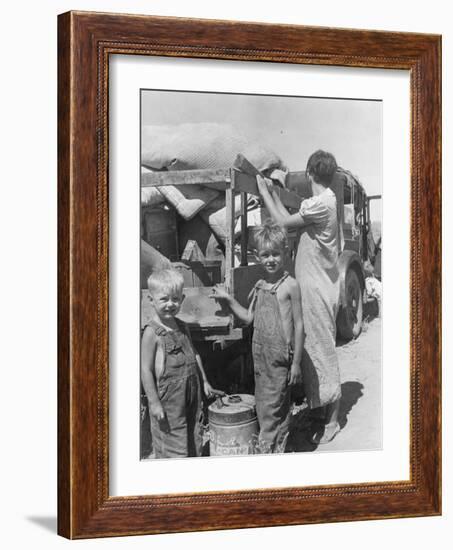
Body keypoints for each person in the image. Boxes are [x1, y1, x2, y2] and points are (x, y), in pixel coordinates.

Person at [255, 150, 342, 444]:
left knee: (323, 351)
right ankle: (320, 412)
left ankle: (332, 421)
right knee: (313, 350)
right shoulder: (324, 201)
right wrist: (275, 194)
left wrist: (263, 191)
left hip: (317, 288)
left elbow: (281, 222)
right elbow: (289, 215)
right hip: (316, 285)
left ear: (308, 174)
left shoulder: (320, 202)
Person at [211, 220, 304, 453]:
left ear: (285, 253)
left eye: (275, 254)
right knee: (268, 405)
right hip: (260, 357)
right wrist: (228, 299)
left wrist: (296, 363)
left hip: (280, 357)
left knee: (272, 407)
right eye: (265, 255)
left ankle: (266, 450)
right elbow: (249, 318)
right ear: (256, 256)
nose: (271, 259)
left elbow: (301, 326)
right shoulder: (260, 285)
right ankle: (278, 448)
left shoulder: (291, 286)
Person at [141, 268, 223, 458]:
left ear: (183, 299)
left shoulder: (183, 326)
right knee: (173, 445)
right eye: (164, 299)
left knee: (193, 436)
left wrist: (204, 381)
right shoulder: (151, 333)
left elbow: (194, 355)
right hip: (168, 401)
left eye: (175, 299)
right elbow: (145, 369)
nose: (170, 304)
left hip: (191, 395)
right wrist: (153, 403)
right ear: (151, 300)